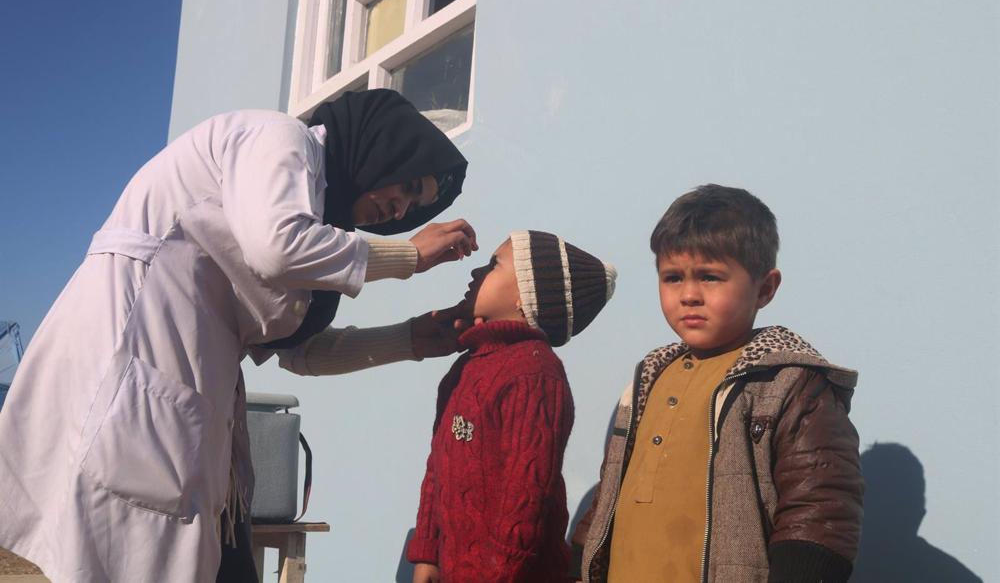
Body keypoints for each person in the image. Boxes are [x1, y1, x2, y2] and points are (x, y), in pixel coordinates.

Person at [0, 90, 477, 583]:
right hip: (134, 354)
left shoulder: (314, 221)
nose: (400, 212)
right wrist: (409, 257)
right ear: (384, 148)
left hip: (186, 390)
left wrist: (410, 340)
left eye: (413, 207)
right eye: (407, 186)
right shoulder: (282, 140)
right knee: (113, 549)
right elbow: (277, 248)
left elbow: (301, 350)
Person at [570, 184, 864, 583]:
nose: (689, 295)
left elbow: (820, 507)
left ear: (765, 288)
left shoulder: (788, 382)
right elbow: (611, 491)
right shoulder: (649, 378)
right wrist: (575, 563)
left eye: (710, 277)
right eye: (672, 277)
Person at [408, 230, 617, 583]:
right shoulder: (466, 367)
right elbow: (437, 469)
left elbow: (525, 500)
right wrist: (427, 554)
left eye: (493, 265)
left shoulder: (535, 374)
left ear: (526, 295)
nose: (476, 273)